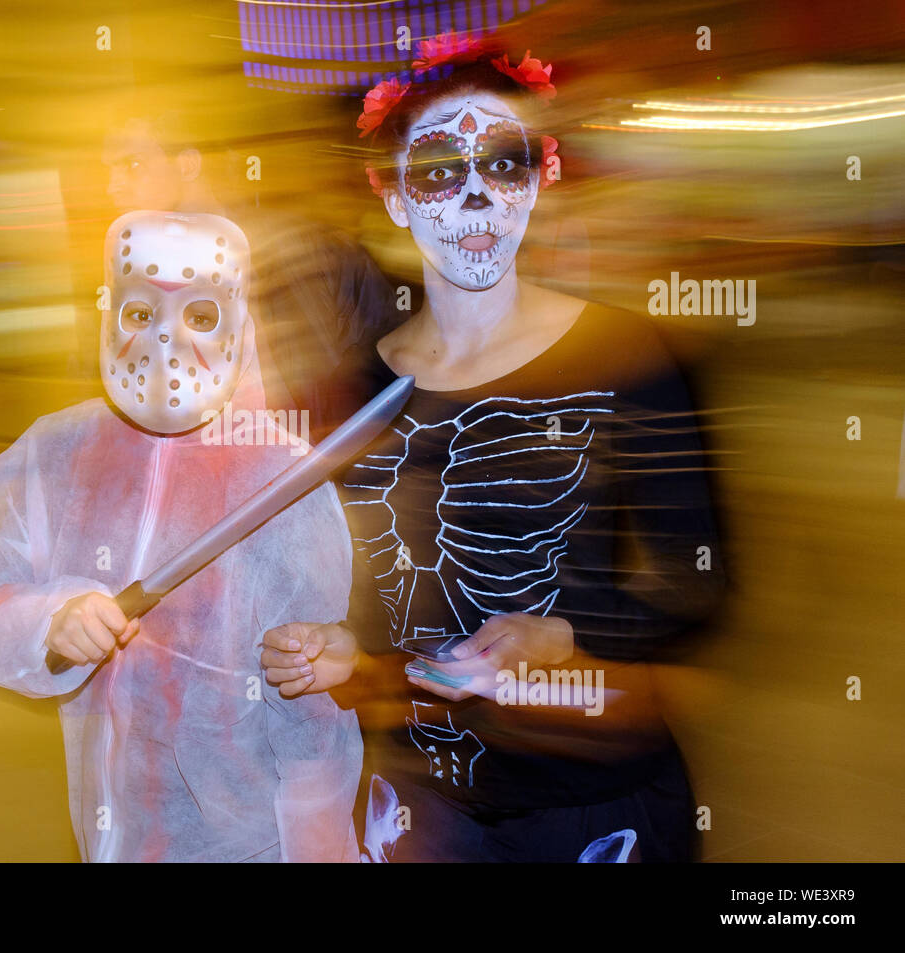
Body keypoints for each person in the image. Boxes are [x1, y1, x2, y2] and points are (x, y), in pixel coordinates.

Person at [260, 34, 724, 862]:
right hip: (421, 806)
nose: (475, 197)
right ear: (393, 195)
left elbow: (698, 582)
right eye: (438, 169)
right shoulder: (364, 389)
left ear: (541, 176)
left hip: (590, 807)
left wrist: (564, 629)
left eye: (503, 164)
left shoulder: (625, 359)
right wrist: (341, 647)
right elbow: (363, 586)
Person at [0, 210, 362, 862]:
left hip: (249, 848)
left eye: (202, 316)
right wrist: (48, 623)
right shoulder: (57, 452)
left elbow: (312, 723)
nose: (166, 339)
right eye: (139, 313)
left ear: (240, 323)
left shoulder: (284, 481)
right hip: (108, 837)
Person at [101, 109, 403, 416]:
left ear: (187, 165)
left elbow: (391, 361)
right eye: (107, 172)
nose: (112, 187)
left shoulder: (310, 251)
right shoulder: (134, 289)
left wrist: (336, 443)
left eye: (132, 165)